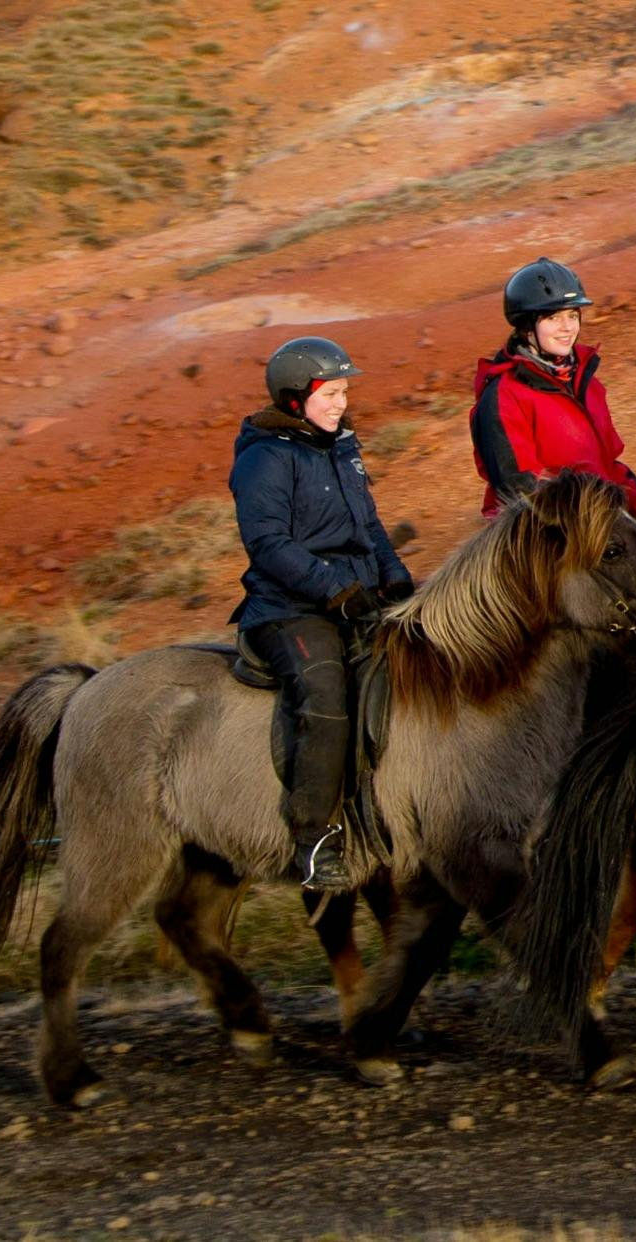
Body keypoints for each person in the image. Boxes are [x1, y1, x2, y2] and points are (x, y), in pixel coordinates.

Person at [229, 335, 415, 892]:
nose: (340, 403)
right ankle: (312, 840)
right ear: (294, 399)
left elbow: (370, 526)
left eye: (343, 392)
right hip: (288, 608)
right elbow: (268, 544)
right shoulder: (265, 458)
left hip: (353, 596)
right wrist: (335, 588)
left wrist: (394, 576)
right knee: (326, 693)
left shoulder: (342, 446)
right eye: (330, 393)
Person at [471, 257, 636, 518]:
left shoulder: (585, 381)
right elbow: (520, 491)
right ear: (526, 328)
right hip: (552, 530)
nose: (567, 327)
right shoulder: (503, 397)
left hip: (603, 516)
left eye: (572, 315)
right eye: (553, 317)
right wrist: (597, 524)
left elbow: (607, 464)